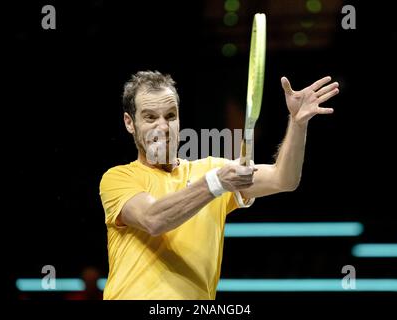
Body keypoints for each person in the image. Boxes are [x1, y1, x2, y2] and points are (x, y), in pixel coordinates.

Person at [99, 70, 339, 299]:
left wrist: (297, 124)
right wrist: (216, 183)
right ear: (130, 123)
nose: (162, 127)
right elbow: (153, 219)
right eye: (150, 117)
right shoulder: (118, 178)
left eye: (170, 116)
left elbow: (283, 179)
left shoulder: (212, 169)